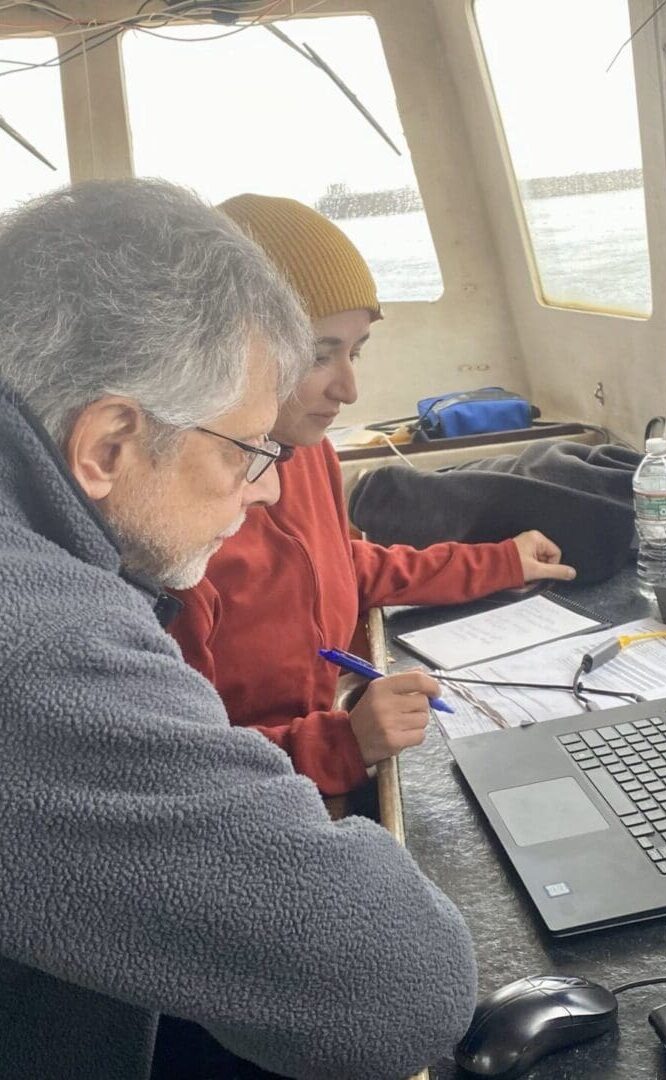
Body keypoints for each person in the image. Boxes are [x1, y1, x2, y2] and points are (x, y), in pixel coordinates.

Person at [0, 179, 476, 1079]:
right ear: (107, 446)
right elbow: (398, 991)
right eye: (247, 452)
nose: (265, 490)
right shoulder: (42, 642)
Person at [168, 193, 576, 799]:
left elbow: (339, 566)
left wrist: (499, 563)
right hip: (263, 804)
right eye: (318, 354)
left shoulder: (309, 454)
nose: (351, 390)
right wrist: (341, 743)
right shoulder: (176, 533)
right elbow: (182, 775)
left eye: (355, 352)